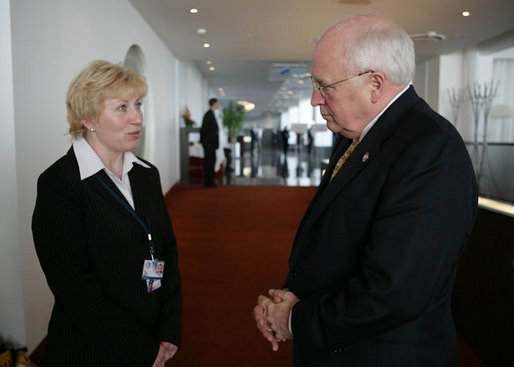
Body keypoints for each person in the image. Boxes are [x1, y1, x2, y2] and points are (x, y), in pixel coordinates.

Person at [253, 14, 477, 367]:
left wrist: (296, 319)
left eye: (325, 86)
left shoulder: (432, 150)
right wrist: (292, 300)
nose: (314, 99)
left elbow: (394, 292)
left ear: (375, 84)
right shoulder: (356, 133)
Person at [32, 60, 182, 367]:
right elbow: (74, 286)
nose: (138, 118)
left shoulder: (146, 174)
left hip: (150, 335)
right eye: (122, 107)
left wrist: (169, 328)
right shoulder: (60, 184)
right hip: (92, 348)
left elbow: (166, 249)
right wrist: (141, 349)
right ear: (88, 117)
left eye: (138, 105)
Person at [200, 98, 220, 187]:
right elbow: (204, 129)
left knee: (212, 161)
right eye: (217, 103)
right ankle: (208, 182)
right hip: (209, 144)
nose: (218, 104)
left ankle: (210, 181)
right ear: (214, 104)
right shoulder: (208, 114)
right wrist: (204, 142)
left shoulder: (211, 114)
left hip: (211, 144)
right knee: (209, 162)